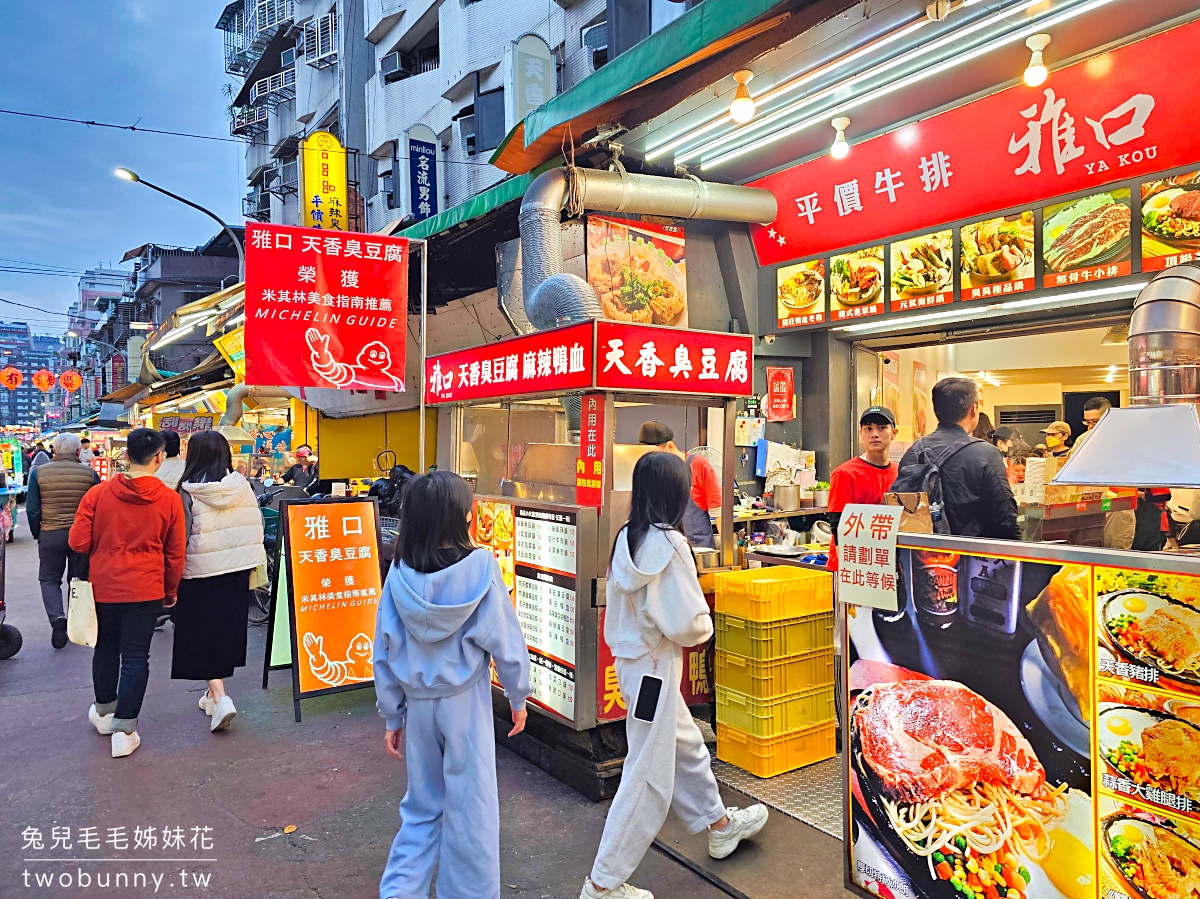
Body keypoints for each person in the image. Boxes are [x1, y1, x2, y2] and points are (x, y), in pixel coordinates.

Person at [581, 452, 767, 899]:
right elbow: (687, 623)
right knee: (647, 776)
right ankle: (602, 884)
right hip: (655, 672)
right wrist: (706, 623)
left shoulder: (629, 536)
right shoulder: (671, 544)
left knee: (685, 746)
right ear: (678, 492)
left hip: (634, 667)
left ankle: (719, 824)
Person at [374, 471, 531, 899]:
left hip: (418, 704)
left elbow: (383, 648)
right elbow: (506, 637)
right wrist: (518, 695)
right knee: (472, 809)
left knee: (421, 807)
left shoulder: (399, 573)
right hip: (466, 702)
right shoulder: (480, 568)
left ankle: (399, 892)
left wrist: (392, 714)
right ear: (461, 517)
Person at [69, 428, 186, 758]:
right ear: (159, 458)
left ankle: (104, 712)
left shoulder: (98, 495)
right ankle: (125, 730)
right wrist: (170, 589)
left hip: (104, 585)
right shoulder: (169, 499)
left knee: (105, 648)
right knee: (136, 656)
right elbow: (176, 552)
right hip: (146, 587)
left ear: (127, 456)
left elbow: (77, 542)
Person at [173, 430, 266, 733]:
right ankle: (211, 696)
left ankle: (222, 699)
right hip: (238, 572)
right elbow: (256, 526)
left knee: (200, 636)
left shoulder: (186, 493)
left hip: (200, 573)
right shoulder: (244, 487)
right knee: (223, 633)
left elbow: (180, 538)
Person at [894, 377, 1019, 539]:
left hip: (921, 554)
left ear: (935, 411)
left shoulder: (914, 450)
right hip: (970, 554)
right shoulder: (986, 453)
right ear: (973, 410)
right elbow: (1005, 517)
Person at [26, 433, 99, 648]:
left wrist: (38, 533)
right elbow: (99, 506)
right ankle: (75, 625)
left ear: (55, 451)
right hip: (82, 535)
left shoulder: (38, 474)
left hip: (50, 534)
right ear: (78, 452)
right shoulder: (89, 474)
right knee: (78, 580)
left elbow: (32, 509)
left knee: (49, 579)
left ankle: (57, 619)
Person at [827, 406, 898, 573]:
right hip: (851, 565)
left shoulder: (899, 471)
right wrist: (848, 569)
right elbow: (838, 523)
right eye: (868, 429)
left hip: (884, 561)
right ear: (861, 434)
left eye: (881, 428)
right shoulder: (845, 473)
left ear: (894, 433)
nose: (874, 434)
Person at [637, 421, 719, 549]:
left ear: (669, 446)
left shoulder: (698, 465)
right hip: (666, 546)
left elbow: (717, 509)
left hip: (698, 547)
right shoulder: (654, 470)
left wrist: (727, 551)